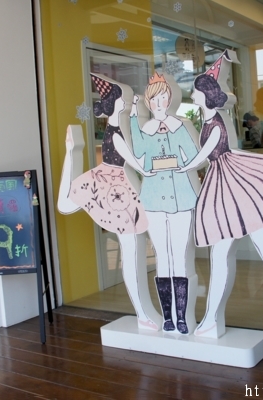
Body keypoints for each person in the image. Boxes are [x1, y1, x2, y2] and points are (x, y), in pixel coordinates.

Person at [177, 50, 263, 338]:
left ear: (206, 94)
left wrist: (180, 166)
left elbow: (204, 155)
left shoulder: (215, 122)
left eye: (195, 91)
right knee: (246, 249)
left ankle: (214, 319)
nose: (191, 95)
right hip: (229, 184)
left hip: (230, 185)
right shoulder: (210, 120)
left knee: (237, 250)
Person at [57, 73, 161, 331]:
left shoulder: (122, 126)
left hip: (119, 185)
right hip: (113, 187)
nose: (129, 102)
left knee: (133, 249)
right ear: (115, 103)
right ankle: (143, 313)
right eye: (124, 99)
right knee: (131, 249)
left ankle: (144, 313)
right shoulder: (117, 132)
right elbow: (136, 159)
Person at [129, 71, 201, 334]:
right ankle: (167, 317)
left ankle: (182, 318)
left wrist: (179, 163)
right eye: (154, 100)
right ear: (148, 102)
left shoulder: (180, 126)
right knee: (162, 256)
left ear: (170, 99)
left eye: (163, 98)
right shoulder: (144, 130)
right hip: (153, 199)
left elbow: (193, 155)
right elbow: (139, 154)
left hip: (182, 197)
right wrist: (134, 117)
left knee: (180, 256)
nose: (159, 104)